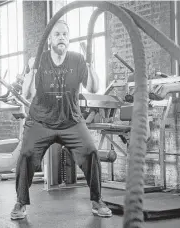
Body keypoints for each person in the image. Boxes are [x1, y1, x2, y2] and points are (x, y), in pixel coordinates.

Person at [10, 20, 112, 220]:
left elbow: (93, 88)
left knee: (91, 151)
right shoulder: (38, 60)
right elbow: (28, 94)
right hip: (41, 121)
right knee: (26, 154)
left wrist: (91, 66)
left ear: (69, 38)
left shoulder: (78, 60)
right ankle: (20, 202)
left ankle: (97, 200)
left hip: (71, 121)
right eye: (57, 34)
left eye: (65, 34)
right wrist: (32, 71)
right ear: (50, 39)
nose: (62, 37)